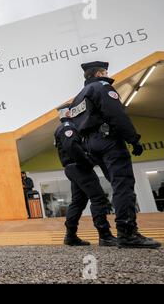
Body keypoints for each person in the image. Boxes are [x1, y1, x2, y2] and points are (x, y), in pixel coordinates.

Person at [69, 61, 161, 249]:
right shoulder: (102, 87)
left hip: (92, 143)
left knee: (117, 184)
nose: (107, 74)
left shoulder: (78, 98)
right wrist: (133, 139)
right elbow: (116, 114)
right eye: (105, 71)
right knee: (123, 184)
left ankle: (122, 231)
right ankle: (127, 233)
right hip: (109, 140)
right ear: (99, 74)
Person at [54, 104, 118, 247]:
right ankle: (105, 235)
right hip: (79, 167)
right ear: (69, 113)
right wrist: (87, 163)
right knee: (99, 198)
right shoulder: (68, 127)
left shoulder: (63, 128)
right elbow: (72, 147)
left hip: (73, 168)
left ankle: (70, 236)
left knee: (78, 202)